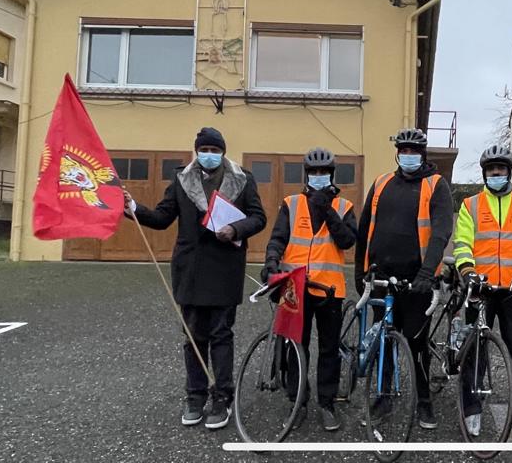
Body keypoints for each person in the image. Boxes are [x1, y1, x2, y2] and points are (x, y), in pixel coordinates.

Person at [124, 127, 267, 431]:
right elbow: (162, 218)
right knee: (193, 336)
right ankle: (195, 396)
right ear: (197, 151)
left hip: (225, 269)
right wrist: (133, 208)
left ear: (223, 152)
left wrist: (236, 229)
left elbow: (258, 217)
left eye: (215, 150)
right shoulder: (181, 179)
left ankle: (223, 397)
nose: (209, 155)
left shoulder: (242, 179)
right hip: (190, 270)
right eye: (204, 150)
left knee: (221, 334)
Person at [354, 127, 454, 430]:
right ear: (397, 153)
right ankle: (383, 396)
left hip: (417, 280)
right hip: (382, 277)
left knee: (416, 343)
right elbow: (364, 229)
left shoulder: (435, 185)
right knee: (384, 340)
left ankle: (424, 401)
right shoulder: (382, 183)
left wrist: (427, 271)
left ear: (422, 154)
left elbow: (441, 232)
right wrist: (360, 270)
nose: (408, 155)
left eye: (414, 151)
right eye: (404, 150)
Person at [452, 145, 512, 439]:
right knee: (474, 352)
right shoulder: (470, 205)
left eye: (501, 169)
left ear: (509, 172)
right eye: (492, 170)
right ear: (485, 174)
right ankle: (472, 410)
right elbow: (462, 243)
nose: (496, 173)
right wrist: (467, 272)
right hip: (480, 288)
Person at [262, 147, 358, 432]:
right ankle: (297, 402)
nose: (318, 175)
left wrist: (326, 209)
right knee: (296, 346)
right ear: (306, 175)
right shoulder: (291, 204)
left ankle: (327, 403)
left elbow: (347, 241)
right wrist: (271, 262)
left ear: (331, 175)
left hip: (329, 290)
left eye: (323, 172)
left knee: (329, 349)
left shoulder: (344, 206)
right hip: (296, 288)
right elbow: (278, 238)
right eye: (314, 172)